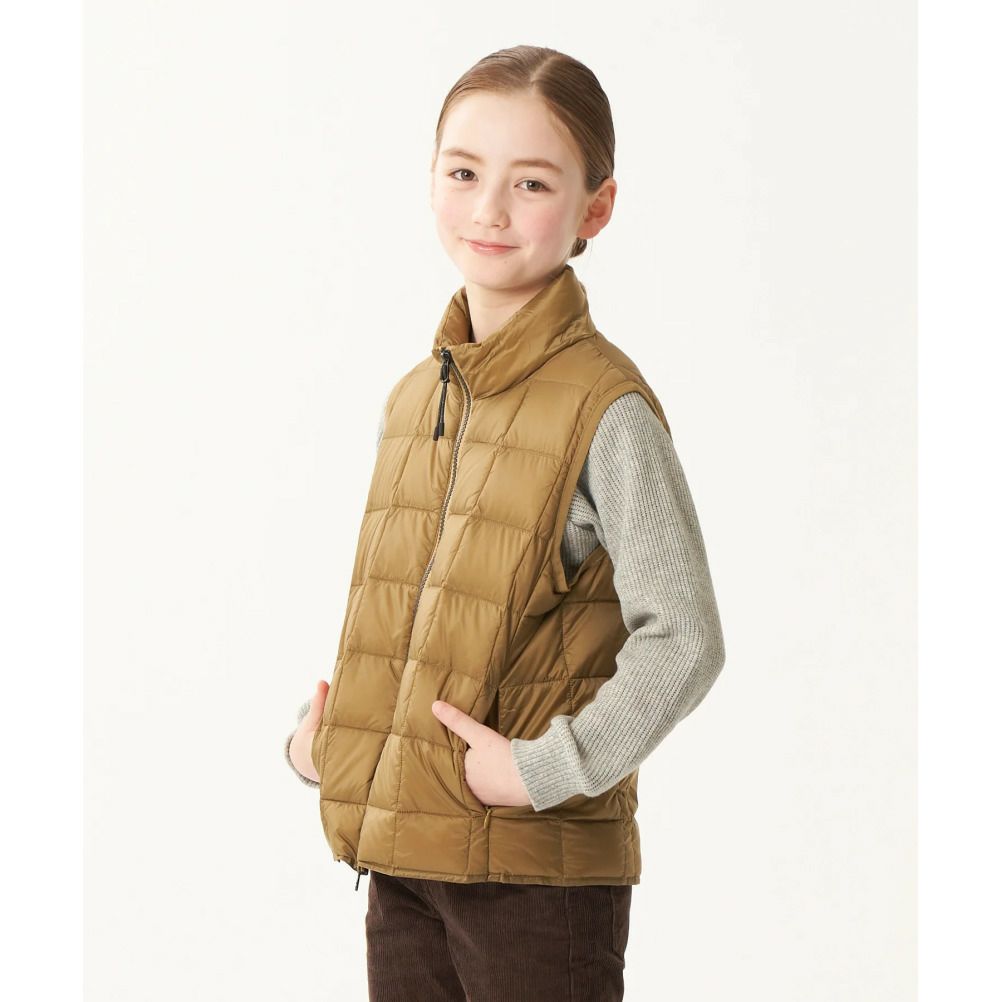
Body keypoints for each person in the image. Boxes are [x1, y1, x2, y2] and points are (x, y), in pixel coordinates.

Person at [284, 44, 727, 1002]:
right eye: (463, 173)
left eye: (531, 183)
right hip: (404, 861)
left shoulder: (607, 409)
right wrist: (335, 742)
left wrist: (544, 770)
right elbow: (423, 615)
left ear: (594, 209)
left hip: (535, 877)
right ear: (430, 179)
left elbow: (686, 638)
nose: (489, 209)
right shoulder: (416, 399)